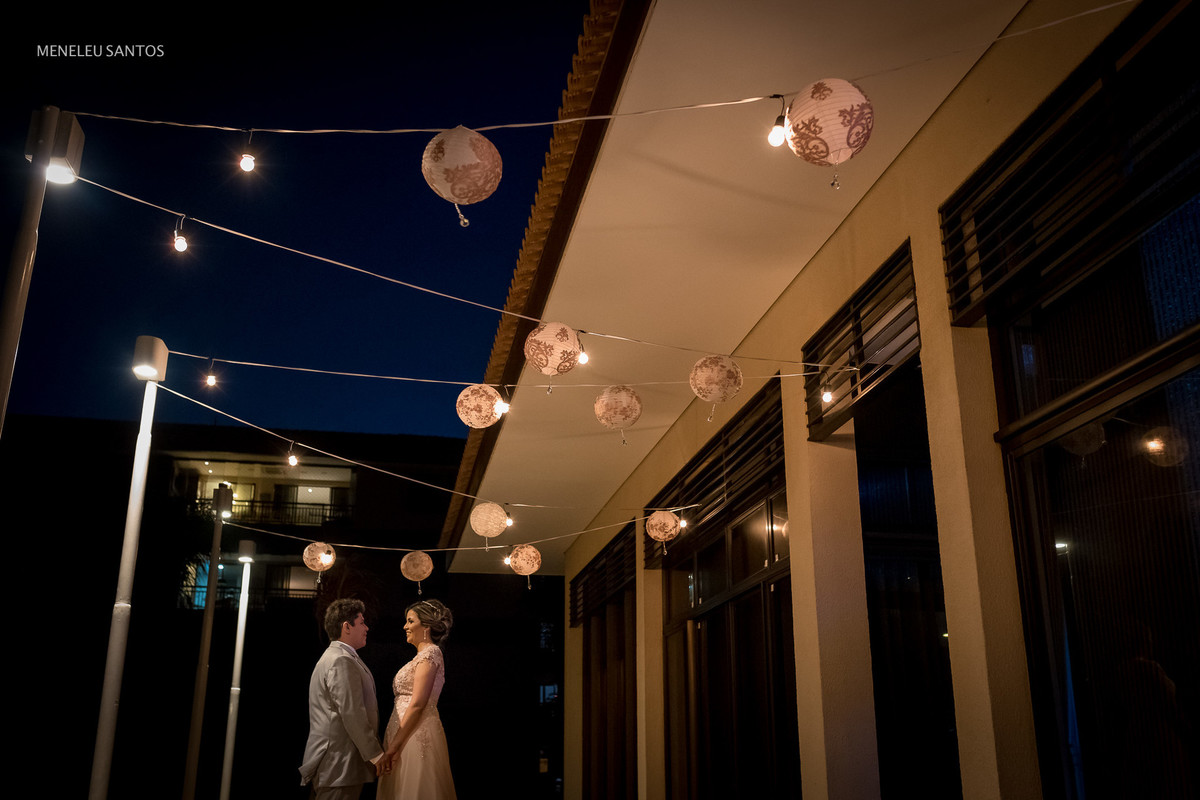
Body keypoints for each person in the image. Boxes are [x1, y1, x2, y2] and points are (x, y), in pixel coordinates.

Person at [300, 598, 386, 799]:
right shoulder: (340, 660)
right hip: (338, 765)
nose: (367, 627)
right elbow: (352, 712)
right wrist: (375, 754)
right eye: (362, 622)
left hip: (338, 765)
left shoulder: (339, 656)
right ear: (347, 627)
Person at [377, 599, 457, 799]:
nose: (405, 626)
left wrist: (394, 747)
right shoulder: (418, 658)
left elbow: (418, 703)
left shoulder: (431, 653)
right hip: (402, 733)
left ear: (426, 626)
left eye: (410, 621)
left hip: (416, 733)